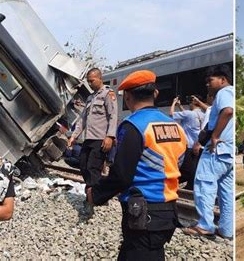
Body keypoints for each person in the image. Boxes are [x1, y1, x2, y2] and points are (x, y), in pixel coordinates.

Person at [86, 70, 187, 260]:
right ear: (155, 94)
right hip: (169, 211)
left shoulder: (133, 126)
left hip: (142, 213)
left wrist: (96, 195)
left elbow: (122, 174)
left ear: (129, 97)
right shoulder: (175, 126)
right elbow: (181, 162)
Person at [182, 64, 234, 239]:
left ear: (222, 79)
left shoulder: (224, 93)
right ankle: (227, 229)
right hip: (228, 152)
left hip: (216, 150)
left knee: (204, 184)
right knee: (226, 192)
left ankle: (205, 225)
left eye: (210, 80)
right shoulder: (233, 93)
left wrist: (215, 135)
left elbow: (228, 111)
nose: (207, 84)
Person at [68, 68, 118, 194]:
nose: (89, 84)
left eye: (92, 81)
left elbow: (113, 115)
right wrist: (74, 136)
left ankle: (92, 197)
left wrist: (110, 136)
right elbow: (83, 119)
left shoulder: (108, 94)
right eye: (88, 81)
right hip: (89, 138)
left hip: (100, 139)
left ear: (100, 78)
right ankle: (97, 192)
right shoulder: (90, 98)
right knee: (83, 165)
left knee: (93, 167)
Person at [170, 95, 204, 190]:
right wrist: (180, 106)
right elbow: (186, 114)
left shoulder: (189, 114)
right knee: (195, 167)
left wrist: (173, 103)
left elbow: (171, 114)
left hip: (189, 146)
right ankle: (191, 185)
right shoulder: (203, 114)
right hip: (200, 145)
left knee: (186, 169)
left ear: (193, 103)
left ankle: (176, 184)